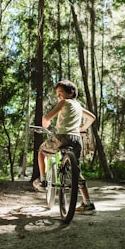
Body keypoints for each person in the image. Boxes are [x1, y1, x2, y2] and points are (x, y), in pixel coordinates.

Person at [33, 79, 96, 214]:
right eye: (57, 94)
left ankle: (43, 180)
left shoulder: (64, 102)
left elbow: (48, 118)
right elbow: (92, 117)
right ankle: (88, 203)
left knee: (42, 151)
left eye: (60, 92)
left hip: (62, 136)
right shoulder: (79, 106)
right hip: (76, 139)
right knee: (76, 171)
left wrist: (45, 121)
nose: (58, 96)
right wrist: (81, 129)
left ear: (71, 92)